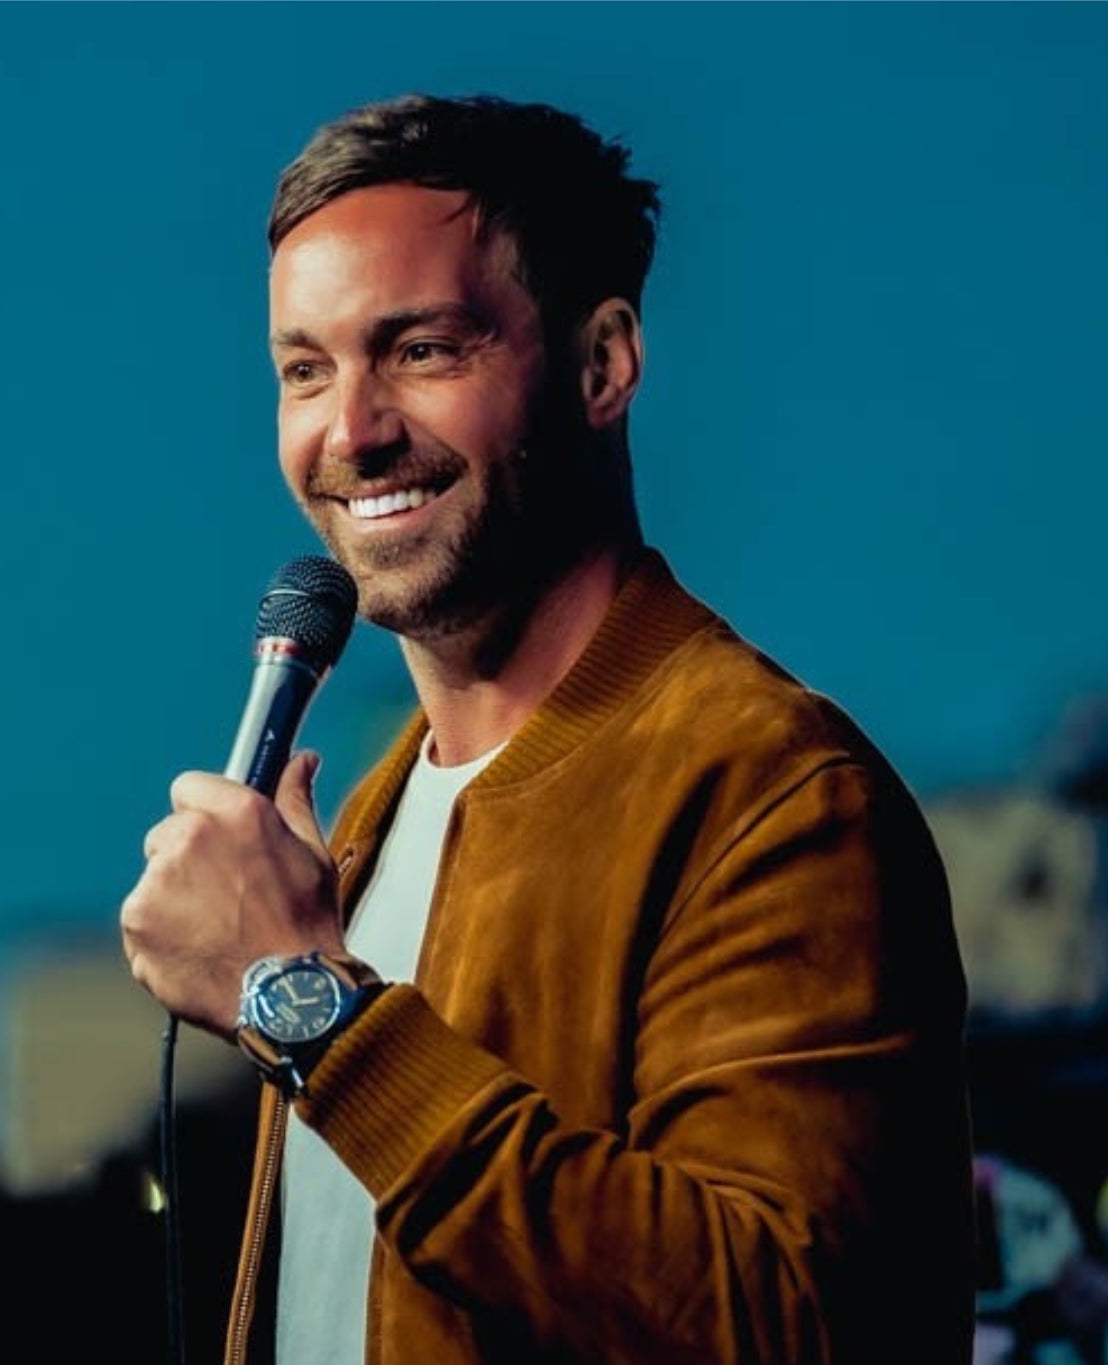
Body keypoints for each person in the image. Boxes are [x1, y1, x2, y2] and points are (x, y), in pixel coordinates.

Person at [118, 91, 977, 1365]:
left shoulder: (771, 792)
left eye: (422, 351)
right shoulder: (374, 816)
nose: (350, 431)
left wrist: (308, 1011)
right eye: (305, 370)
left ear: (601, 365)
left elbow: (783, 1322)